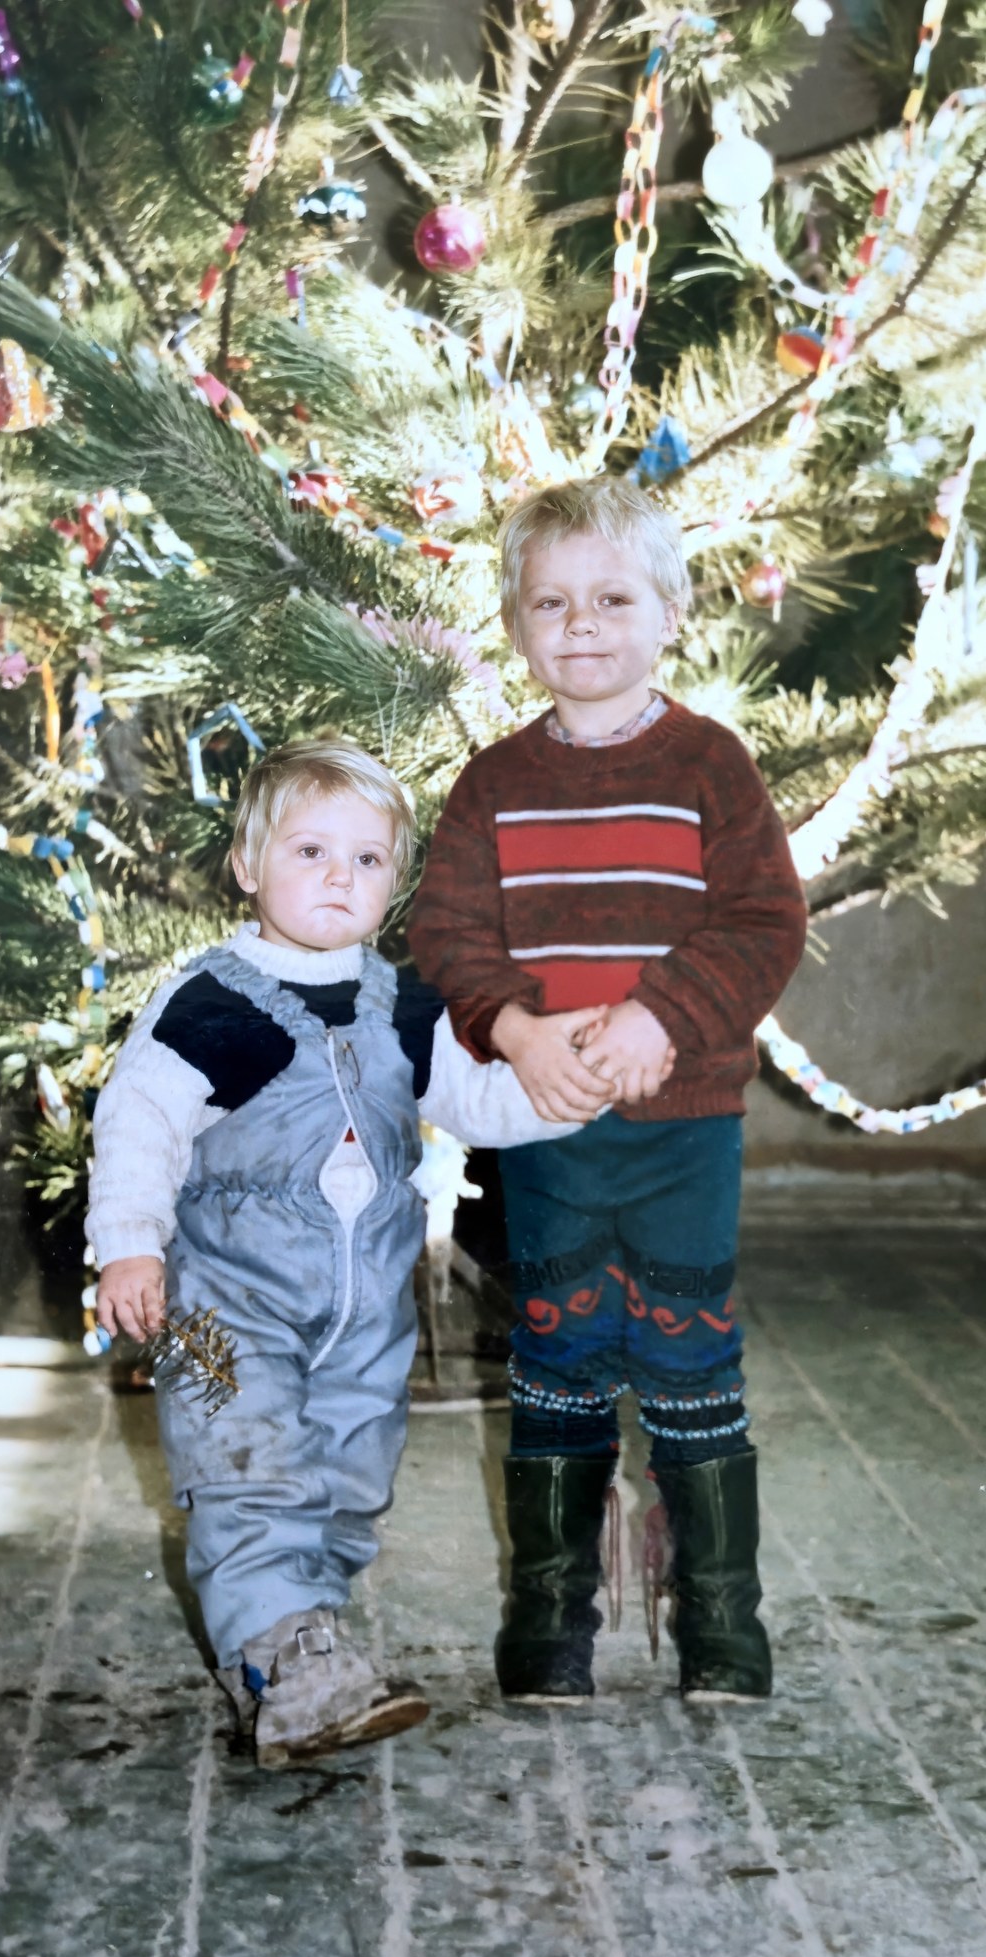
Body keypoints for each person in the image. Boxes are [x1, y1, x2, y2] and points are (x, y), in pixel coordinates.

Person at [88, 738, 603, 1766]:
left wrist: (569, 1090)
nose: (339, 876)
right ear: (247, 864)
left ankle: (293, 1655)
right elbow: (138, 1122)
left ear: (395, 880)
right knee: (249, 1473)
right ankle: (287, 1662)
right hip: (220, 1307)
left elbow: (478, 1102)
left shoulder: (402, 1004)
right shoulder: (211, 1003)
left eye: (367, 859)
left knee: (349, 1481)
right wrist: (129, 1248)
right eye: (311, 850)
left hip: (366, 1312)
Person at [407, 477, 808, 1707]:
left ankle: (723, 1618)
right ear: (517, 626)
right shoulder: (492, 783)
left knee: (691, 1354)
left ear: (671, 613)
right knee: (560, 1350)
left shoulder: (710, 765)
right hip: (551, 1126)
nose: (581, 622)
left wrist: (660, 1015)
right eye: (552, 603)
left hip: (685, 1128)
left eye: (613, 599)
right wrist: (515, 1030)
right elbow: (447, 935)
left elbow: (764, 921)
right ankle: (550, 1617)